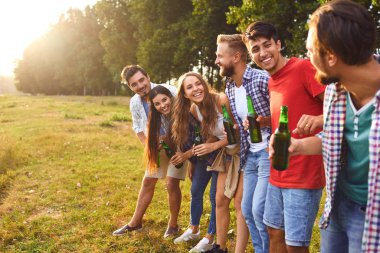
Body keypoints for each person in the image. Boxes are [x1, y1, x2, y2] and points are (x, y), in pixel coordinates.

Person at [281, 1, 380, 252]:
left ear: (332, 56)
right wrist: (297, 145)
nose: (308, 58)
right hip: (339, 203)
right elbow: (336, 137)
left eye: (310, 51)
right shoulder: (337, 90)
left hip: (372, 214)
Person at [243, 22, 326, 253]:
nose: (262, 53)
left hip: (304, 172)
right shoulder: (271, 80)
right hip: (278, 170)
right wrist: (265, 122)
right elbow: (290, 117)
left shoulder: (303, 68)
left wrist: (319, 120)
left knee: (295, 245)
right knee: (273, 231)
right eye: (256, 49)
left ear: (278, 44)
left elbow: (338, 109)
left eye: (267, 45)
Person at [113, 65, 187, 239]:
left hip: (179, 145)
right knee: (148, 181)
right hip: (158, 146)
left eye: (141, 80)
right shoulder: (135, 102)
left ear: (147, 76)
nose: (140, 86)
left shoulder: (168, 90)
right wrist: (150, 147)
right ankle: (135, 223)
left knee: (171, 183)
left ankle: (173, 225)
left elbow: (186, 115)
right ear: (130, 87)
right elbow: (138, 128)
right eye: (134, 84)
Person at [172, 72, 242, 253]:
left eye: (198, 84)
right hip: (223, 153)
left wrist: (212, 146)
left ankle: (212, 240)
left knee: (227, 201)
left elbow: (238, 133)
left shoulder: (220, 100)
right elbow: (212, 132)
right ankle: (209, 239)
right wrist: (205, 146)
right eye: (189, 87)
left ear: (204, 83)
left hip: (238, 152)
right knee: (211, 196)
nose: (196, 89)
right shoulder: (195, 110)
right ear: (184, 94)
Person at [215, 34, 270, 253]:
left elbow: (286, 115)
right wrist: (237, 129)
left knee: (259, 210)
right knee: (246, 210)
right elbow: (241, 125)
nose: (217, 60)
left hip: (267, 152)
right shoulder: (229, 86)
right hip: (249, 155)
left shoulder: (261, 79)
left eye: (220, 55)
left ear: (236, 57)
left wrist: (265, 121)